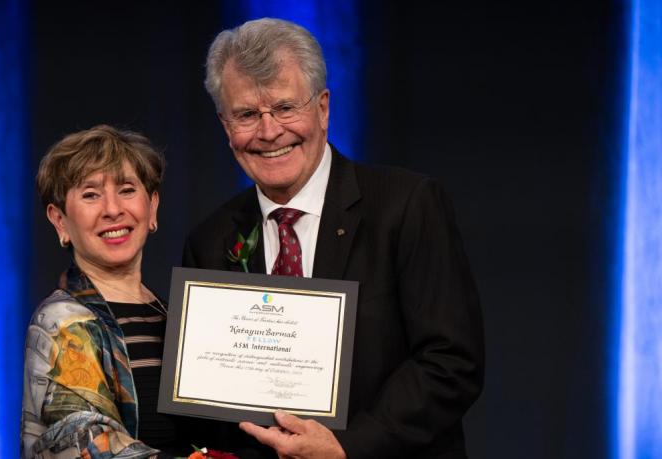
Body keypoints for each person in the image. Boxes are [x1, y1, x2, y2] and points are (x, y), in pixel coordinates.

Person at [182, 18, 484, 458]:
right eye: (247, 114)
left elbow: (451, 362)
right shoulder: (209, 241)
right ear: (225, 126)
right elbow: (208, 404)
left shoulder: (406, 206)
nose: (269, 132)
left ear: (322, 108)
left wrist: (347, 447)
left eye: (285, 108)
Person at [21, 125, 184, 458]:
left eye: (126, 190)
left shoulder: (178, 319)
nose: (112, 209)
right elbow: (85, 443)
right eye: (90, 194)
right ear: (60, 221)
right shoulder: (61, 322)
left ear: (152, 208)